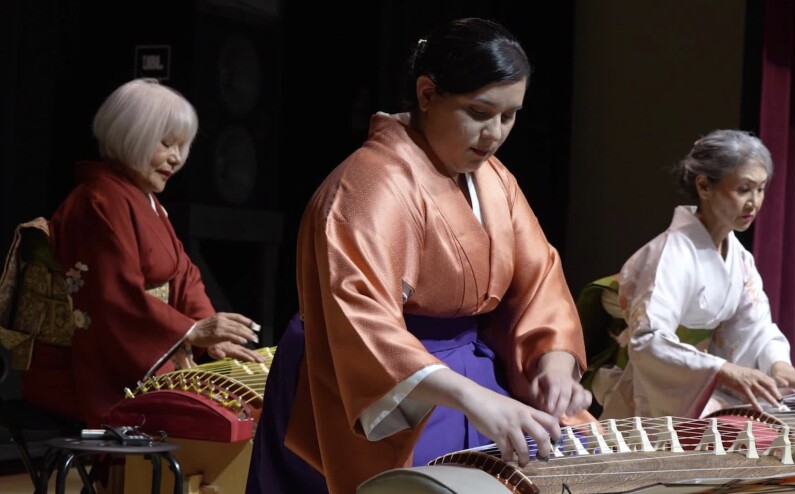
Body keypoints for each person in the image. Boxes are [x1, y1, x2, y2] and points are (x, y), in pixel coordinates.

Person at [248, 18, 593, 494]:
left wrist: (553, 366)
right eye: (478, 111)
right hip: (380, 387)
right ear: (427, 94)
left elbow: (538, 285)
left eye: (509, 116)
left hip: (474, 378)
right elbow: (362, 324)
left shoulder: (495, 180)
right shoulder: (369, 184)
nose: (494, 134)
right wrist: (474, 399)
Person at [20, 78, 264, 429]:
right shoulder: (99, 201)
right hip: (85, 372)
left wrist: (210, 333)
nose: (177, 159)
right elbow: (111, 298)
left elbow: (184, 273)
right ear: (129, 135)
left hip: (135, 356)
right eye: (166, 144)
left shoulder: (142, 200)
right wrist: (190, 331)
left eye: (183, 146)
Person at [592, 129, 795, 420]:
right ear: (704, 186)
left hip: (697, 384)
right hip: (656, 392)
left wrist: (780, 366)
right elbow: (648, 339)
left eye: (761, 189)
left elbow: (756, 326)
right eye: (743, 189)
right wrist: (722, 369)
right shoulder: (672, 254)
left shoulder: (740, 259)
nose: (754, 202)